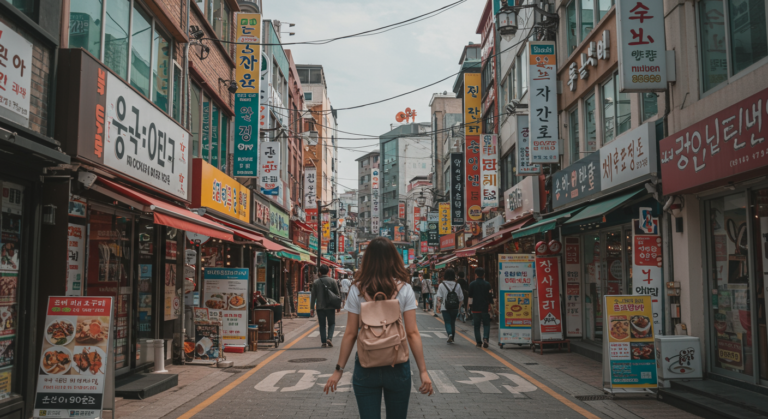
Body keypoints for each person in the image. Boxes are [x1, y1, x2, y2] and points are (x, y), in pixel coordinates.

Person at [323, 237, 433, 417]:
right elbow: (412, 333)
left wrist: (338, 370)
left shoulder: (357, 289)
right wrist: (423, 371)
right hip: (397, 365)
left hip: (366, 365)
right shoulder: (405, 289)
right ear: (393, 258)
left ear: (367, 260)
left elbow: (350, 333)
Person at [310, 265, 341, 348]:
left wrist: (311, 308)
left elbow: (313, 296)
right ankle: (329, 338)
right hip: (330, 306)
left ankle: (323, 342)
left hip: (320, 307)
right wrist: (338, 306)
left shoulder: (316, 282)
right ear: (328, 271)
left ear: (319, 272)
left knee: (322, 325)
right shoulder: (333, 281)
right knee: (332, 323)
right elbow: (337, 294)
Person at [435, 268, 464, 343]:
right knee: (452, 322)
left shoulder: (441, 285)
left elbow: (439, 297)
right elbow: (461, 298)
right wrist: (458, 307)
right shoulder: (457, 285)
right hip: (455, 308)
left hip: (445, 307)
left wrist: (441, 304)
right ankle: (452, 337)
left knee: (447, 322)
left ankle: (450, 334)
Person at [467, 267, 493, 348]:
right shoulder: (487, 284)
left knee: (476, 325)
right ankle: (485, 338)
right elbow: (490, 296)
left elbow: (470, 297)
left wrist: (470, 307)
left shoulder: (472, 284)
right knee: (486, 324)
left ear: (476, 275)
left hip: (475, 308)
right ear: (484, 275)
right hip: (485, 308)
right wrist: (491, 305)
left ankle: (478, 342)